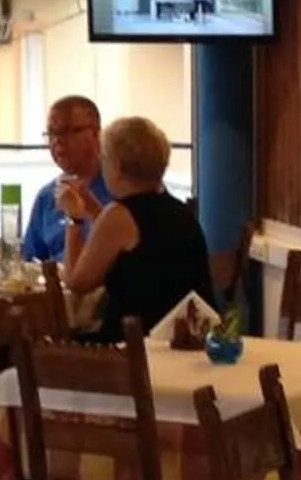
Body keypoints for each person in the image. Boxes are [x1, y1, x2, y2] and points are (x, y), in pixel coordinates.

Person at [60, 115, 214, 343]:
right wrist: (94, 211)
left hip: (132, 345)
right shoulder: (180, 211)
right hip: (186, 338)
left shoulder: (118, 216)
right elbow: (138, 244)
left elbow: (77, 282)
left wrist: (73, 219)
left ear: (118, 167)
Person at [19, 94, 111, 264]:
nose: (58, 141)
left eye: (67, 131)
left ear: (96, 135)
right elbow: (30, 262)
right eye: (51, 133)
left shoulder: (120, 188)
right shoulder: (47, 196)